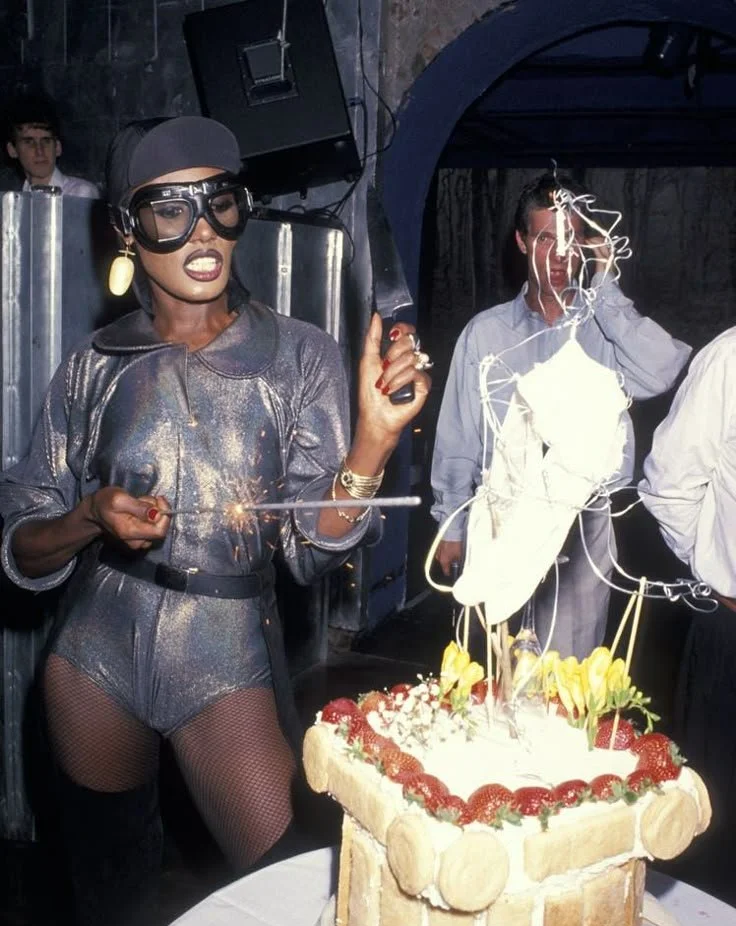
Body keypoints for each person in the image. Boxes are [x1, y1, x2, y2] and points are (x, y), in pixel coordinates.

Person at [0, 115, 430, 926]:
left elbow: (310, 550)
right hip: (93, 661)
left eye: (221, 203)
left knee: (295, 894)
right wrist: (89, 517)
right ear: (127, 229)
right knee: (110, 896)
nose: (203, 231)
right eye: (170, 209)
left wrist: (372, 445)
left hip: (223, 658)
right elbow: (22, 544)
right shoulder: (91, 367)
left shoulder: (298, 356)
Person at [430, 172, 690, 659]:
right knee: (494, 671)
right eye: (545, 238)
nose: (558, 255)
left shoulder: (606, 329)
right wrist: (452, 526)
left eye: (570, 239)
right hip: (500, 520)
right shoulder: (485, 334)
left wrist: (605, 287)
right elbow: (458, 437)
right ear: (522, 241)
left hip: (582, 527)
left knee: (568, 676)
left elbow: (663, 370)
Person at [638, 326, 736, 902]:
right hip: (731, 636)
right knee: (711, 833)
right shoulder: (730, 358)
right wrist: (717, 568)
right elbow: (669, 486)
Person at [4, 91, 100, 198]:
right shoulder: (14, 201)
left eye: (46, 141)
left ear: (57, 147)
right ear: (12, 150)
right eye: (29, 142)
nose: (39, 151)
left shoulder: (79, 193)